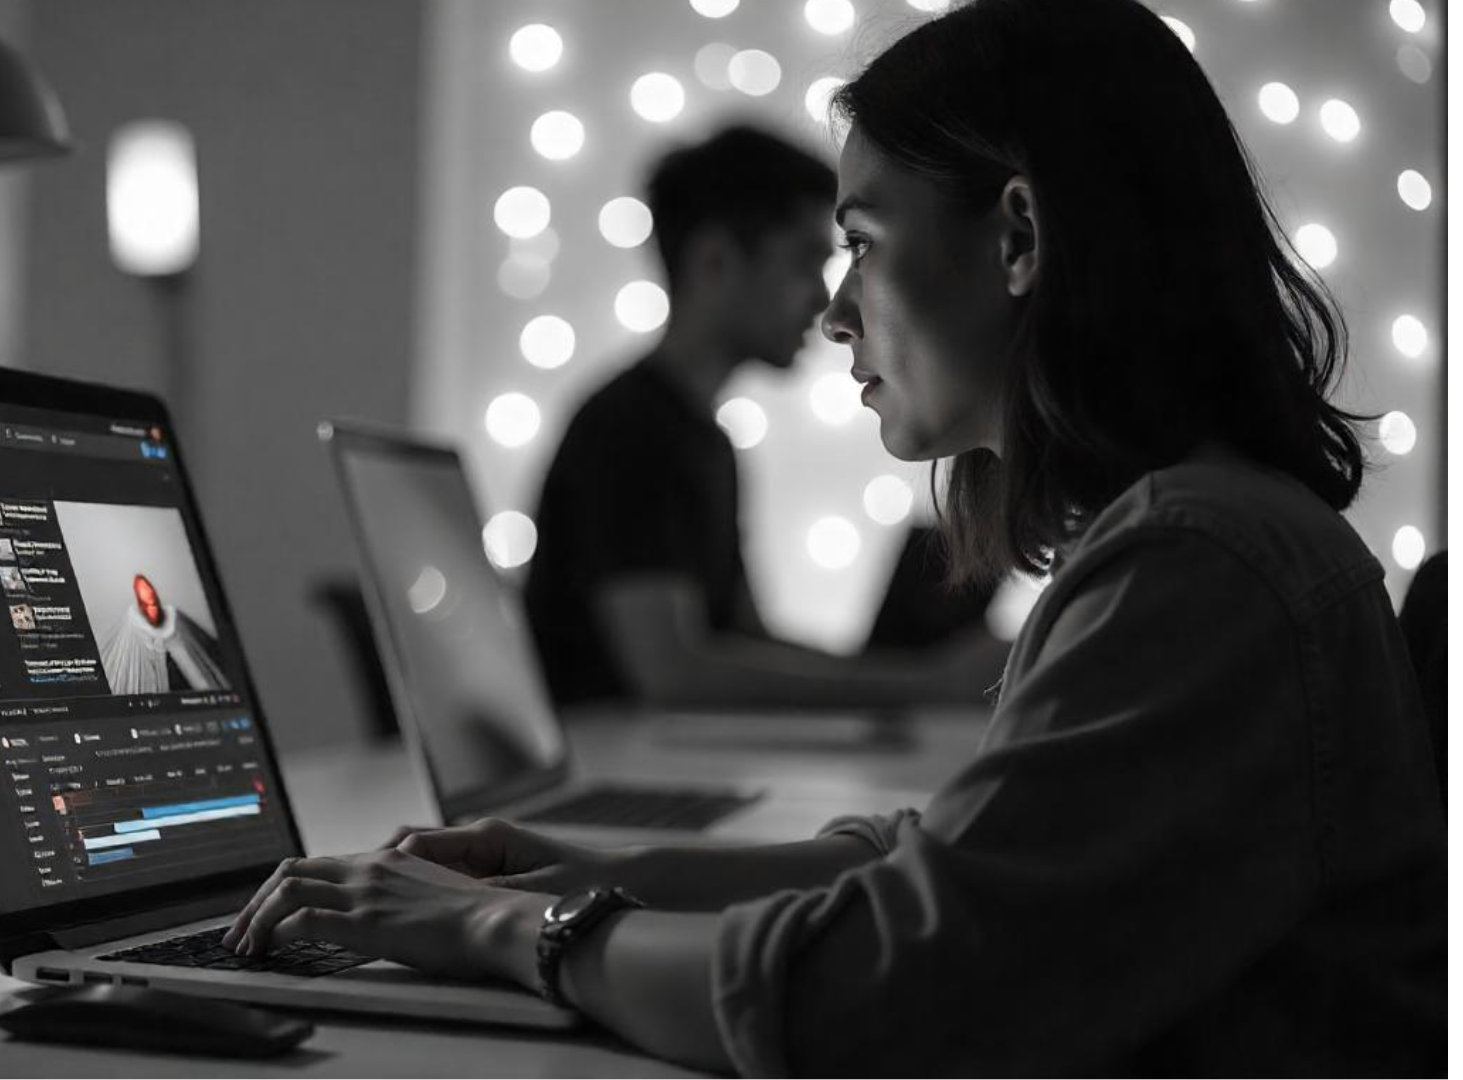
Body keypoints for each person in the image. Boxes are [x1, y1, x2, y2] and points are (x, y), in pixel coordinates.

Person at [218, 0, 1446, 1073]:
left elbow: (882, 993)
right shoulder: (1206, 535)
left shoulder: (1204, 563)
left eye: (862, 244)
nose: (836, 311)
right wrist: (577, 866)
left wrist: (500, 933)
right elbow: (940, 868)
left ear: (1020, 239)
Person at [521, 124, 1006, 710]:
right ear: (715, 260)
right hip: (612, 766)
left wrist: (905, 675)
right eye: (805, 263)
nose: (823, 303)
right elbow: (673, 671)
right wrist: (924, 684)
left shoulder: (701, 439)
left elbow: (743, 642)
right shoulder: (628, 431)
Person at [96, 572, 232, 694]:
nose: (151, 608)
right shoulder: (134, 631)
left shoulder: (175, 620)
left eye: (153, 603)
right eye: (146, 605)